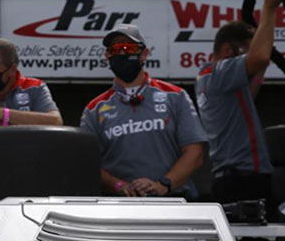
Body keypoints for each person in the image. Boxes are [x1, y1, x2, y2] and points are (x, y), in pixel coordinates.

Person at [80, 25, 206, 198]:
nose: (123, 54)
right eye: (116, 49)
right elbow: (87, 164)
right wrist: (119, 185)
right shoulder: (94, 109)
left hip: (172, 200)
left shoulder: (175, 96)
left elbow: (195, 152)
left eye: (129, 48)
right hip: (119, 206)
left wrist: (163, 184)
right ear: (107, 56)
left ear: (145, 54)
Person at [196, 0, 280, 204]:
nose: (248, 58)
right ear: (227, 50)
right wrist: (270, 7)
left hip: (233, 178)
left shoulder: (209, 77)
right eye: (245, 52)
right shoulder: (220, 73)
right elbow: (260, 57)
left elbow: (259, 66)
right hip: (243, 180)